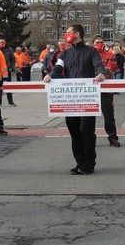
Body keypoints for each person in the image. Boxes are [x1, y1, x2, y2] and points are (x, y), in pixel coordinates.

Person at [44, 24, 106, 174]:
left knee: (86, 130)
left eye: (68, 33)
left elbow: (98, 65)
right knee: (74, 131)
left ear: (77, 34)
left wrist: (101, 73)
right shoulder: (65, 54)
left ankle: (89, 164)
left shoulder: (92, 52)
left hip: (87, 99)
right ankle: (79, 162)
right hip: (70, 100)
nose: (66, 36)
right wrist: (50, 76)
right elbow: (58, 68)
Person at [93, 36, 121, 147]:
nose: (99, 44)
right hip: (92, 89)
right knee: (89, 116)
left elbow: (111, 68)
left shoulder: (110, 54)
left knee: (109, 114)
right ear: (93, 44)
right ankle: (90, 139)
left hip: (106, 88)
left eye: (101, 42)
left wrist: (103, 71)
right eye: (97, 42)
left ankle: (113, 137)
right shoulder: (89, 55)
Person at [0, 38, 16, 107]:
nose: (2, 44)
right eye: (1, 42)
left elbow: (13, 59)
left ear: (5, 43)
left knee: (8, 87)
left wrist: (12, 67)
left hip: (7, 70)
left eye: (3, 42)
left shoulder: (9, 50)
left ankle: (10, 102)